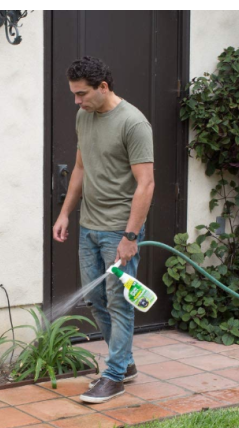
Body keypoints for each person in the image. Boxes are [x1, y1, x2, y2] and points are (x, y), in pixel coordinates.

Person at [52, 56, 155, 403]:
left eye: (82, 94)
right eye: (74, 95)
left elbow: (146, 184)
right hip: (89, 227)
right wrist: (65, 212)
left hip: (119, 230)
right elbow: (81, 167)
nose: (76, 102)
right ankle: (123, 363)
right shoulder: (84, 116)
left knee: (119, 302)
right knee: (96, 299)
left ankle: (113, 376)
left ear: (104, 87)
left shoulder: (133, 123)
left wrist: (130, 237)